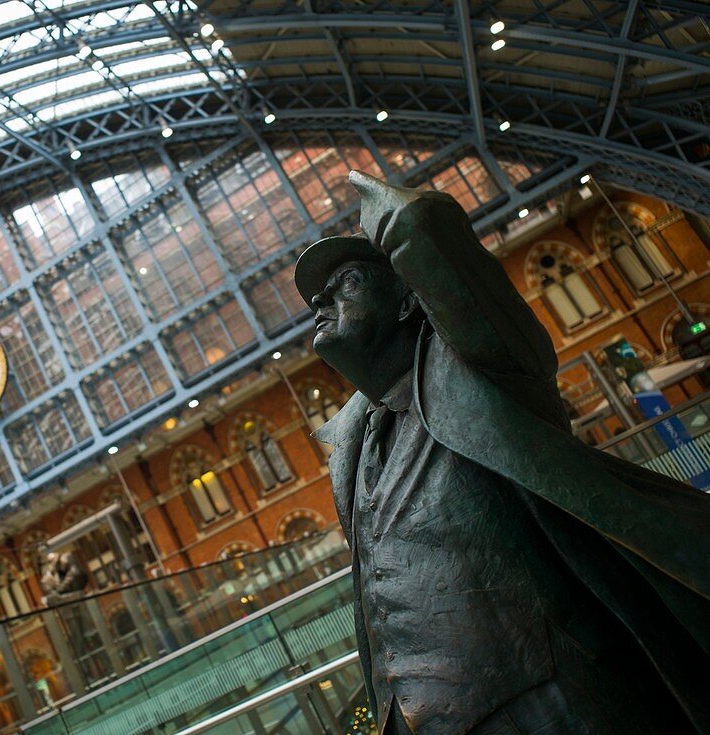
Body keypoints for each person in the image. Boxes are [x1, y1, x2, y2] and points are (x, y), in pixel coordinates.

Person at [295, 171, 710, 734]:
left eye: (344, 281)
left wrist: (362, 185)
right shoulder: (352, 444)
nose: (320, 299)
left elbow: (421, 224)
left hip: (550, 698)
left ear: (408, 299)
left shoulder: (480, 367)